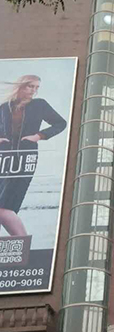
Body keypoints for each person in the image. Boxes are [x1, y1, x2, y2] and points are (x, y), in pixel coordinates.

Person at [0, 75, 66, 236]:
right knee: (3, 206)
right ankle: (20, 243)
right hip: (4, 158)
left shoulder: (39, 104)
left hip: (26, 156)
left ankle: (21, 242)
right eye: (31, 86)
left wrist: (38, 136)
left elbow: (60, 123)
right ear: (21, 86)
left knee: (5, 206)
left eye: (37, 87)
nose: (34, 90)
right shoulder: (4, 107)